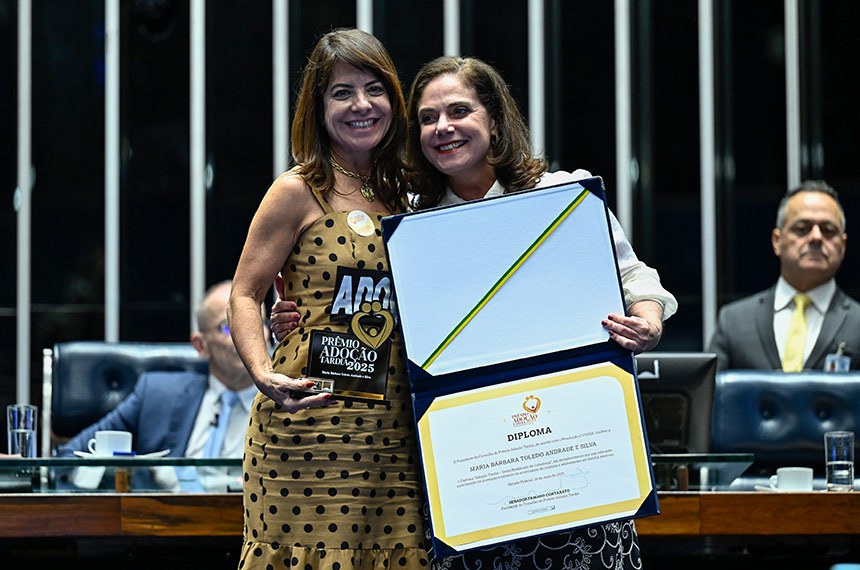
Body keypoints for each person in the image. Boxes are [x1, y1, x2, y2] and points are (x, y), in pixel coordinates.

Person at [272, 55, 677, 570]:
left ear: (493, 118)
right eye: (426, 118)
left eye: (459, 110)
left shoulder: (560, 194)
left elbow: (635, 278)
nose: (443, 128)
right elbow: (360, 303)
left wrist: (647, 319)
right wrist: (293, 315)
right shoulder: (408, 220)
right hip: (469, 477)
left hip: (575, 461)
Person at [227, 29, 429, 570]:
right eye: (342, 93)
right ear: (317, 108)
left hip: (396, 432)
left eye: (374, 89)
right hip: (307, 424)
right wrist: (262, 372)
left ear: (394, 99)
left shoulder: (414, 192)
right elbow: (244, 294)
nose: (361, 105)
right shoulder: (298, 189)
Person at [57, 280, 258, 460]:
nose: (245, 335)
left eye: (256, 321)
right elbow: (69, 456)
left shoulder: (286, 405)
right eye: (227, 327)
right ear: (200, 345)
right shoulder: (155, 395)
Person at [709, 180, 860, 371]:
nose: (816, 237)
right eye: (802, 228)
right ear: (777, 241)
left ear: (843, 245)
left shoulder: (857, 322)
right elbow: (708, 397)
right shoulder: (734, 321)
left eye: (828, 230)